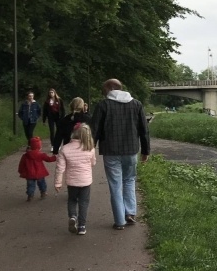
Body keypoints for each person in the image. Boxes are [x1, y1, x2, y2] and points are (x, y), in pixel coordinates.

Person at [90, 78, 150, 230]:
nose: (103, 92)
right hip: (131, 150)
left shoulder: (103, 105)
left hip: (111, 151)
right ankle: (130, 213)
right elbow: (144, 129)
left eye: (104, 89)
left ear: (110, 88)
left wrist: (90, 149)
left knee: (115, 185)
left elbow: (94, 130)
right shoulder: (136, 104)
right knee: (129, 180)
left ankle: (119, 221)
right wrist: (145, 151)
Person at [54, 123, 97, 235]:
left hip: (72, 181)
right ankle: (82, 226)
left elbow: (60, 168)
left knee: (72, 200)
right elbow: (93, 163)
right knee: (84, 202)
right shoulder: (90, 148)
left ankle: (73, 216)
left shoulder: (65, 149)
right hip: (85, 181)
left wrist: (58, 183)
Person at [17, 136, 57, 201]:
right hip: (39, 173)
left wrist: (21, 171)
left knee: (30, 185)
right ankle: (43, 192)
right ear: (39, 147)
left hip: (29, 173)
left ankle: (30, 195)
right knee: (42, 183)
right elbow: (48, 159)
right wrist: (55, 157)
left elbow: (21, 164)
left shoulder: (25, 155)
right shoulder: (41, 155)